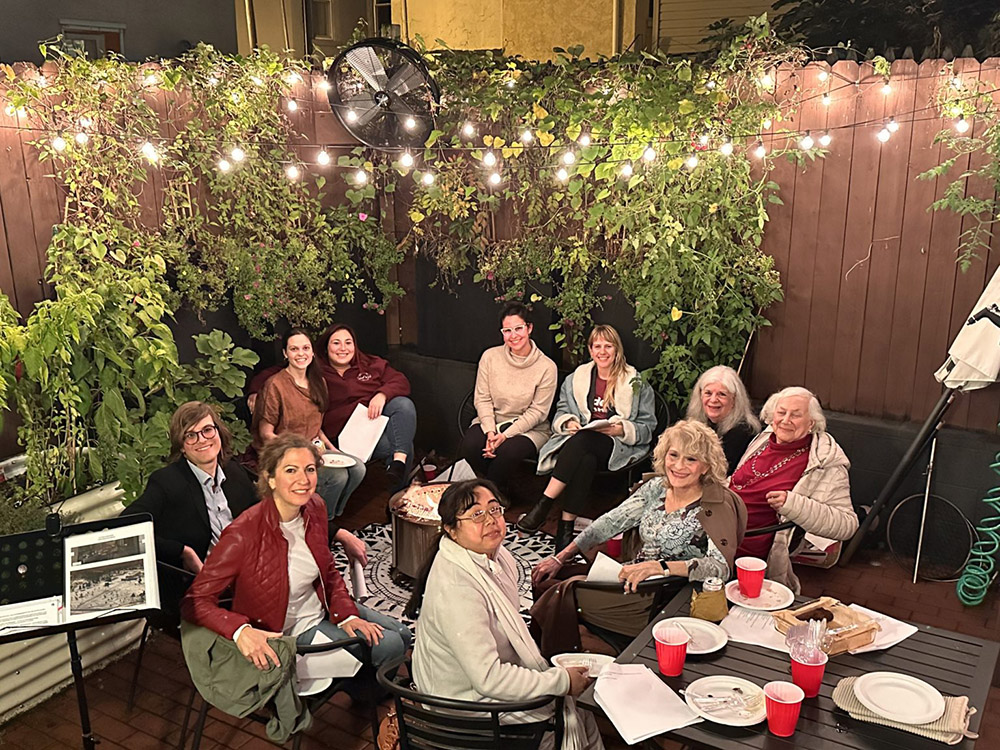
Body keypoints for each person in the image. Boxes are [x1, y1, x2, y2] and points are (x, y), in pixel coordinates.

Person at [181, 434, 410, 688]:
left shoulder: (314, 507)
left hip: (321, 607)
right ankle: (366, 694)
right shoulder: (242, 533)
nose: (304, 480)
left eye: (310, 469)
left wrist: (346, 615)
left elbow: (329, 572)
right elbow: (195, 601)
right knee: (389, 646)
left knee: (403, 634)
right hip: (289, 632)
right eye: (291, 470)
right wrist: (240, 631)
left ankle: (360, 682)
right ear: (270, 478)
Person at [406, 479, 604, 750]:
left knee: (581, 711)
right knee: (565, 717)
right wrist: (560, 681)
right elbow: (488, 678)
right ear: (451, 530)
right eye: (476, 514)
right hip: (461, 706)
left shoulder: (498, 557)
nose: (489, 520)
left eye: (494, 509)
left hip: (480, 684)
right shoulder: (457, 587)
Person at [531, 421, 745, 654]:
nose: (679, 466)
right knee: (547, 577)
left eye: (691, 459)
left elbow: (720, 568)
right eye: (673, 455)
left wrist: (661, 567)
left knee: (563, 592)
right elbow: (611, 522)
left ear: (706, 466)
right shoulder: (657, 487)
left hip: (664, 595)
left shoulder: (717, 504)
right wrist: (561, 557)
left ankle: (553, 660)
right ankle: (563, 650)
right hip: (632, 578)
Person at [518, 325, 656, 552]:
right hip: (581, 447)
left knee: (584, 443)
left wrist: (621, 429)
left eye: (608, 346)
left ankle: (543, 505)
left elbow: (647, 427)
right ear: (591, 351)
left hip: (616, 446)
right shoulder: (577, 379)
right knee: (585, 458)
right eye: (597, 346)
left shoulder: (635, 382)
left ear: (617, 350)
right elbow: (562, 411)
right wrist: (570, 422)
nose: (603, 352)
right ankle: (566, 526)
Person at [122, 402, 257, 613]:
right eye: (191, 435)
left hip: (246, 573)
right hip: (203, 588)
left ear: (218, 432)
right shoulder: (167, 482)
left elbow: (258, 517)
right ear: (182, 446)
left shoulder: (234, 472)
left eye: (207, 430)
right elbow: (127, 527)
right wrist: (183, 552)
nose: (202, 439)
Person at [730, 386, 857, 592]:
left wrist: (793, 504)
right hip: (718, 531)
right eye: (781, 412)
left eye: (796, 415)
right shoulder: (763, 440)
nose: (786, 420)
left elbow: (847, 525)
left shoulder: (824, 462)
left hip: (750, 550)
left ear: (811, 424)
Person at [252, 329, 366, 518]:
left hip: (315, 449)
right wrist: (297, 452)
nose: (301, 354)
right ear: (285, 354)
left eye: (305, 348)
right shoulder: (275, 385)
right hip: (285, 454)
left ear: (312, 352)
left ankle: (334, 516)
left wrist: (334, 450)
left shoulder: (318, 381)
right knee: (338, 477)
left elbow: (316, 427)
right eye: (294, 349)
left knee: (358, 468)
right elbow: (266, 433)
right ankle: (321, 524)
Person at [459, 302, 558, 496]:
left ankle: (489, 496)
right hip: (493, 421)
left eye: (518, 328)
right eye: (507, 330)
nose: (513, 336)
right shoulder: (490, 357)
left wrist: (504, 436)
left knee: (507, 452)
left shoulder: (547, 367)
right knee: (470, 445)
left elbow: (538, 412)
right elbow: (482, 399)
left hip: (529, 429)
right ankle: (501, 491)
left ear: (529, 328)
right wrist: (489, 432)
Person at [316, 324, 416, 490]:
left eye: (348, 343)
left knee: (402, 404)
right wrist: (255, 391)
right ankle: (398, 497)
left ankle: (397, 466)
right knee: (405, 446)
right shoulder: (315, 370)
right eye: (336, 343)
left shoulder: (369, 363)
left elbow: (400, 381)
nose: (343, 348)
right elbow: (279, 372)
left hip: (371, 425)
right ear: (326, 347)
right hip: (343, 435)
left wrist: (381, 394)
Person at [685, 365, 760, 474]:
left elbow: (719, 472)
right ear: (700, 395)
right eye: (708, 393)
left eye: (722, 394)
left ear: (734, 399)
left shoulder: (742, 431)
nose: (713, 399)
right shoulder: (698, 421)